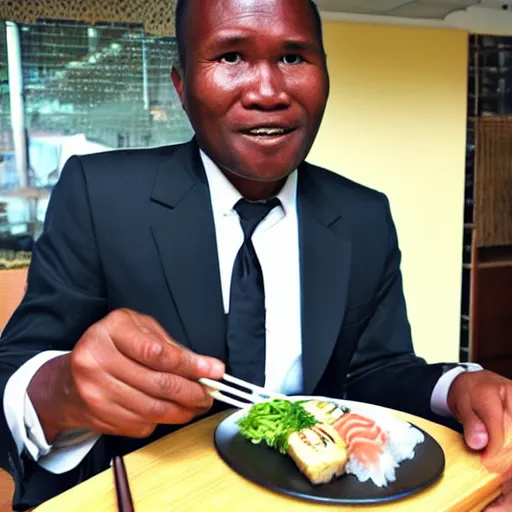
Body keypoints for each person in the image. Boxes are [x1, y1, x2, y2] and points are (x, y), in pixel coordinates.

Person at [1, 0, 511, 509]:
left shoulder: (363, 215)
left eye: (293, 58)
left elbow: (375, 374)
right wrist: (64, 389)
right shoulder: (100, 194)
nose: (269, 92)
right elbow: (14, 369)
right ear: (181, 85)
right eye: (230, 57)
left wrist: (458, 386)